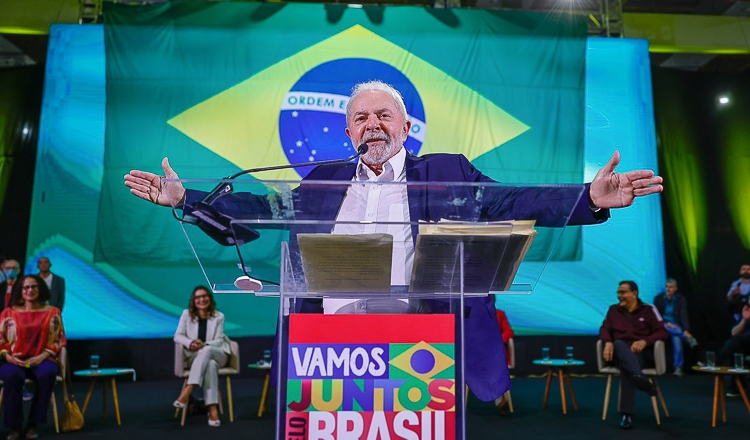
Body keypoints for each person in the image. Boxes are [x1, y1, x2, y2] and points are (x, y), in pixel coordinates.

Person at [125, 80, 663, 403]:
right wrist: (186, 200)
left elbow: (511, 202)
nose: (372, 124)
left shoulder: (447, 171)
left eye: (384, 115)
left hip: (426, 343)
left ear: (407, 127)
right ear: (348, 132)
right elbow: (253, 214)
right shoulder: (321, 182)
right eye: (361, 118)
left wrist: (589, 196)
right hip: (331, 346)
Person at [0, 275, 66, 440]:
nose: (30, 290)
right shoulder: (9, 312)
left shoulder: (53, 312)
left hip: (43, 359)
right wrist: (7, 356)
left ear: (40, 289)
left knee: (48, 374)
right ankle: (14, 427)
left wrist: (42, 356)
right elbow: (0, 338)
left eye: (34, 287)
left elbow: (59, 338)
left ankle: (33, 425)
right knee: (12, 376)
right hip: (14, 360)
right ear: (20, 291)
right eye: (26, 287)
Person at [600, 280, 668, 430]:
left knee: (628, 367)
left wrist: (645, 341)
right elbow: (604, 329)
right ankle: (641, 380)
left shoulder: (649, 310)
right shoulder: (613, 310)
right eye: (618, 293)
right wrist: (608, 342)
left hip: (641, 354)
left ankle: (627, 415)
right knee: (619, 344)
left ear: (634, 293)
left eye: (623, 292)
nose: (619, 296)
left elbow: (662, 331)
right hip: (619, 352)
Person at [173, 286, 230, 427]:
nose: (201, 299)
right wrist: (191, 342)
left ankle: (189, 389)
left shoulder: (219, 316)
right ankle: (212, 409)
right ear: (193, 301)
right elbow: (177, 336)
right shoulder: (186, 314)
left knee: (207, 350)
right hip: (197, 358)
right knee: (210, 365)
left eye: (204, 296)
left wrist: (203, 344)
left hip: (218, 354)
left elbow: (219, 340)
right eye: (198, 297)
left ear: (210, 298)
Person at [652, 278, 697, 376]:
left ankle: (678, 368)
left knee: (677, 341)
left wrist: (686, 329)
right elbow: (655, 316)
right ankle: (688, 339)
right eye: (667, 287)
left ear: (675, 288)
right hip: (662, 325)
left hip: (676, 326)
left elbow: (683, 315)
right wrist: (666, 322)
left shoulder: (680, 299)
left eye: (671, 287)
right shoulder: (658, 299)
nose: (668, 289)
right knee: (673, 329)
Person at [718, 300, 750, 397]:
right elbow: (733, 333)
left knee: (739, 339)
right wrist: (744, 319)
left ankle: (717, 362)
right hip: (745, 344)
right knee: (736, 348)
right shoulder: (746, 312)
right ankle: (738, 385)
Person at [494, 303, 515, 410]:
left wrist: (498, 341)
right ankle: (501, 399)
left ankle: (500, 401)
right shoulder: (476, 315)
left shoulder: (499, 314)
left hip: (497, 352)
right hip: (480, 352)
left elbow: (508, 331)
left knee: (497, 365)